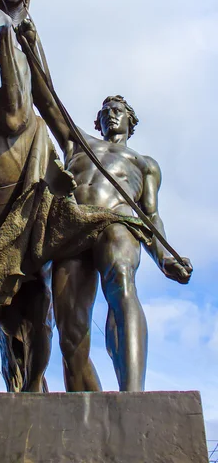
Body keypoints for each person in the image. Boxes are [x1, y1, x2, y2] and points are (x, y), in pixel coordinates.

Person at [20, 24, 193, 391]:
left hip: (119, 223)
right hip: (72, 227)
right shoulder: (78, 144)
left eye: (119, 110)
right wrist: (33, 42)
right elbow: (47, 97)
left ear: (131, 121)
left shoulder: (144, 163)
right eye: (106, 111)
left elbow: (151, 214)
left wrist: (163, 256)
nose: (112, 114)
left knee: (121, 282)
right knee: (70, 333)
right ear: (97, 122)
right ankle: (92, 405)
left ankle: (132, 397)